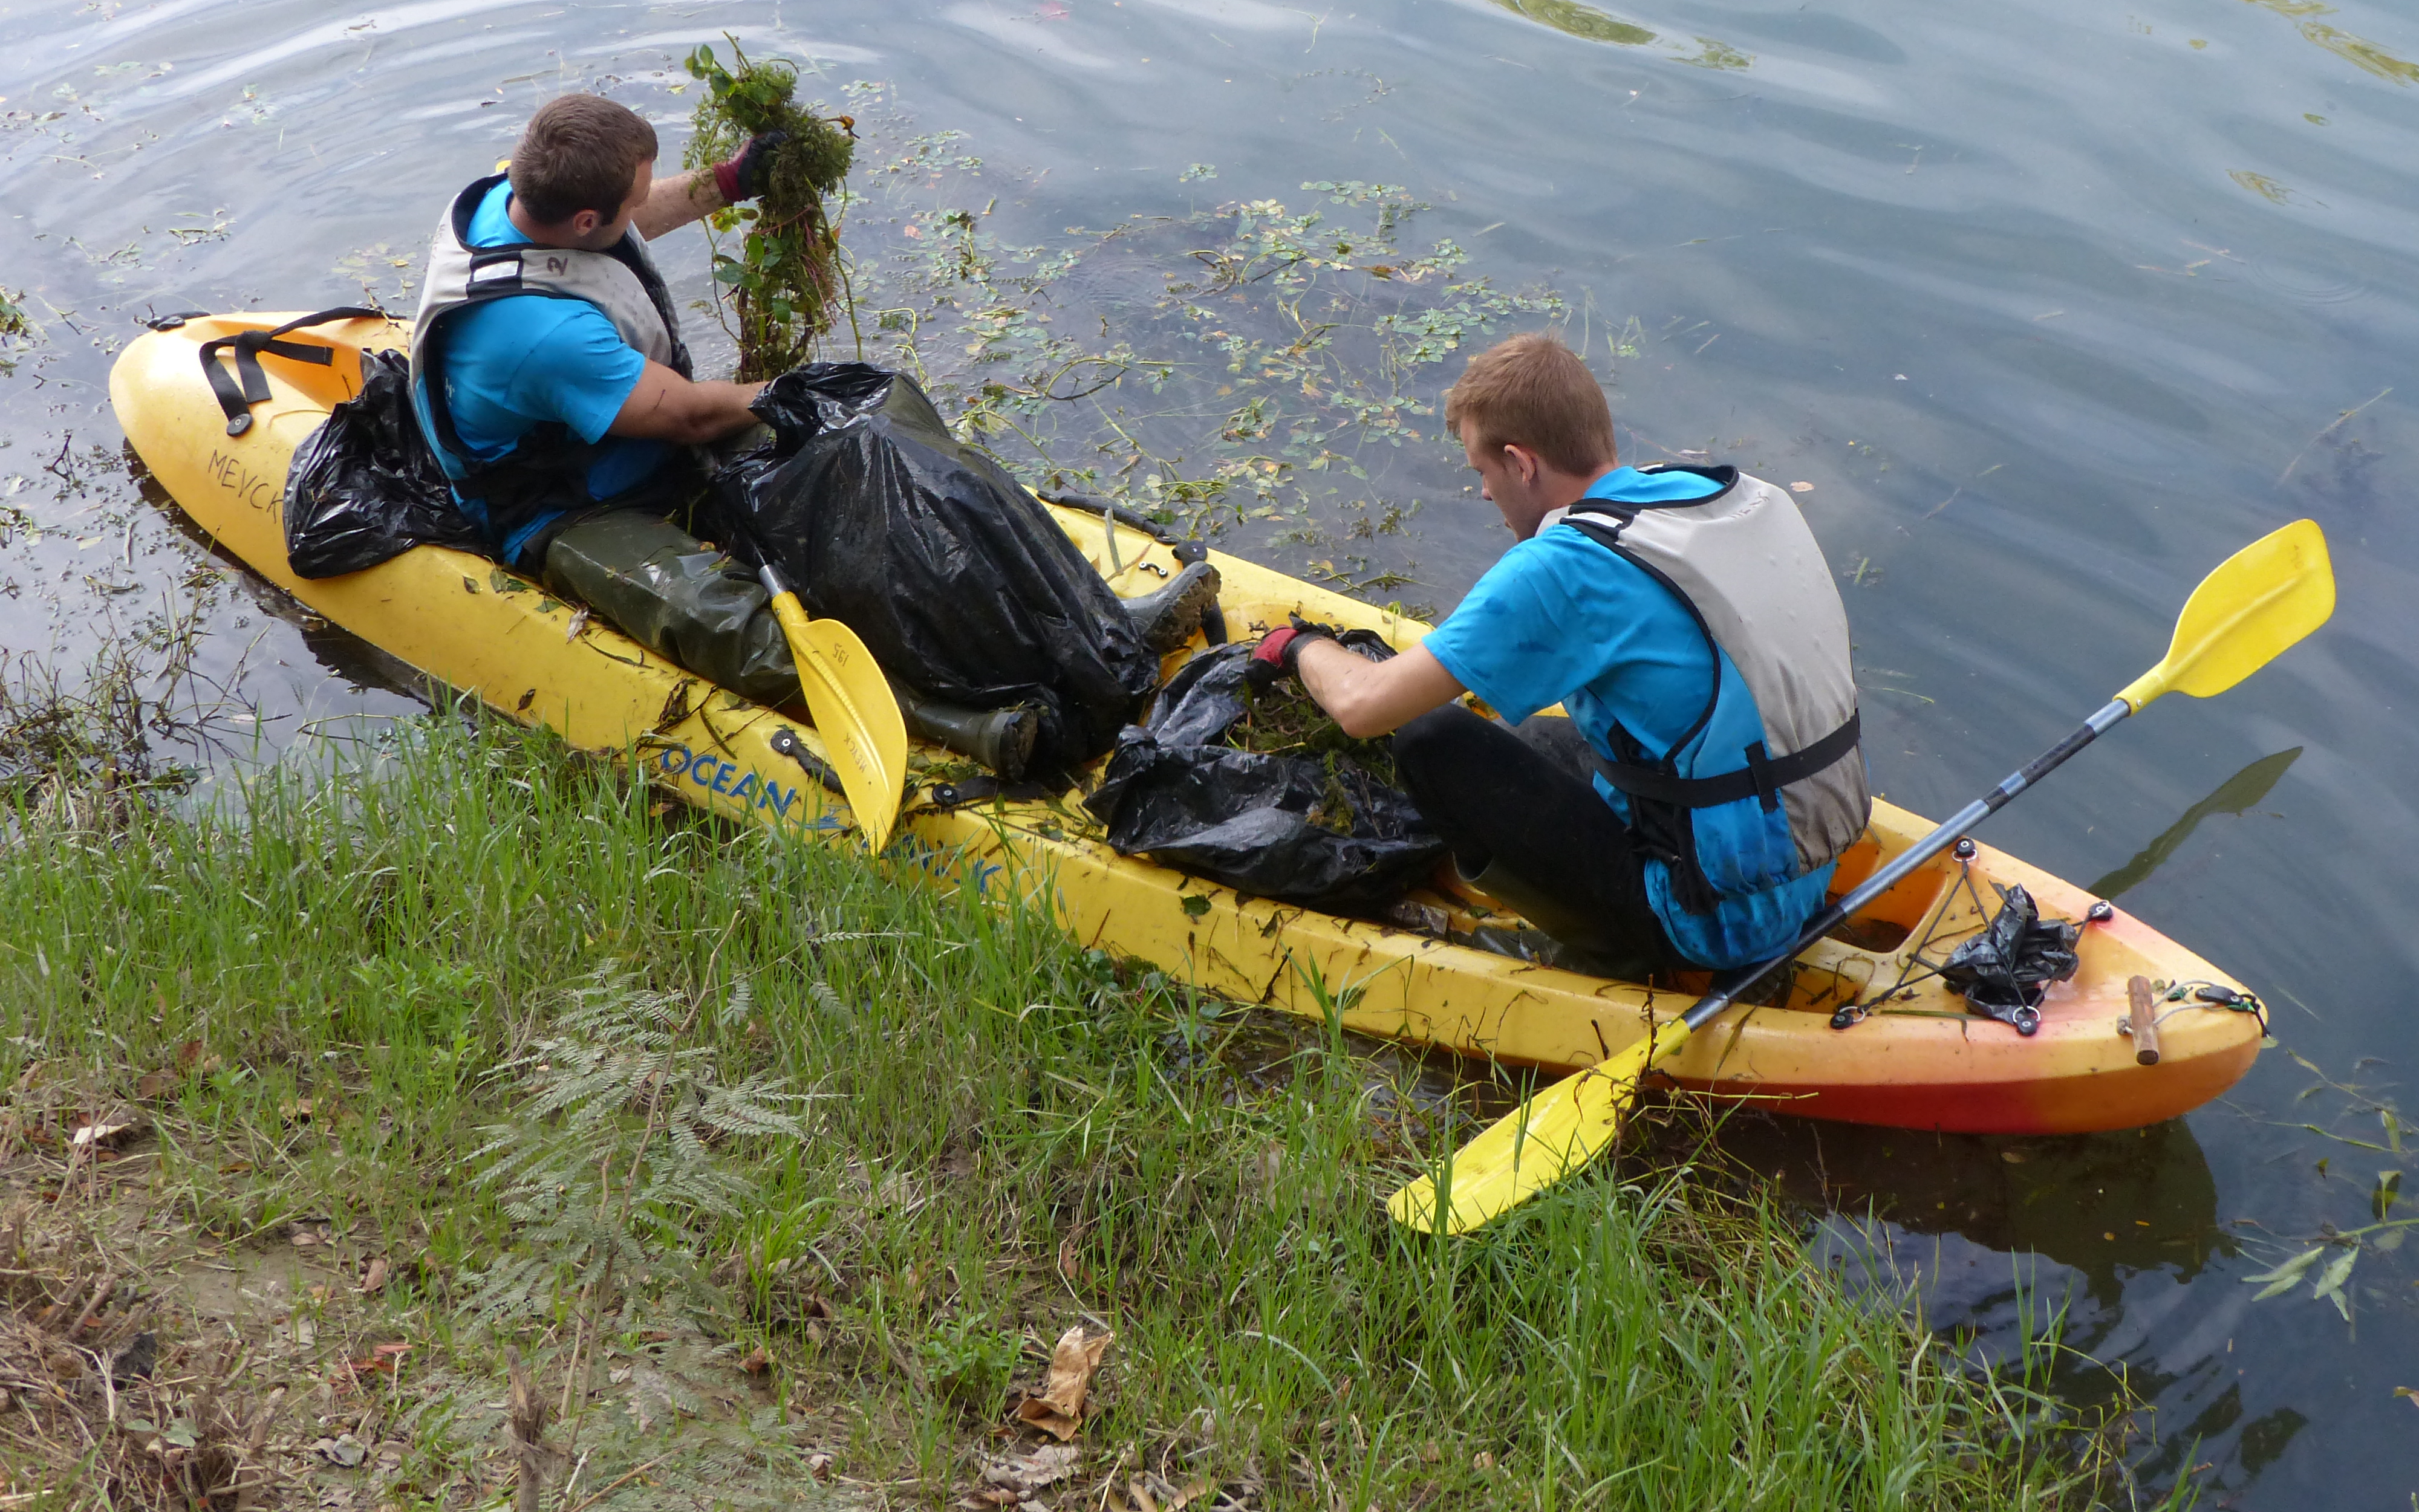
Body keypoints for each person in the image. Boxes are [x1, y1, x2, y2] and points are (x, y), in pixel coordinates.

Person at [409, 92, 1214, 773]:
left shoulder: (519, 196)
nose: (642, 207)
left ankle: (1099, 617)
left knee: (884, 452)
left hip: (635, 435)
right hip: (561, 505)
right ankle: (955, 720)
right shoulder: (538, 338)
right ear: (585, 215)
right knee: (717, 616)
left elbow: (628, 222)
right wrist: (789, 391)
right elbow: (689, 412)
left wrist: (734, 179)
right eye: (631, 196)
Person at [1248, 333, 1869, 980]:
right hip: (1809, 851)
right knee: (1518, 736)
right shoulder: (1737, 497)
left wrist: (1297, 647)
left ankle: (1610, 954)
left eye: (1480, 473)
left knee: (1430, 740)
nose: (1484, 494)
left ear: (1520, 463)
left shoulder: (1565, 568)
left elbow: (1361, 707)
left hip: (1709, 921)